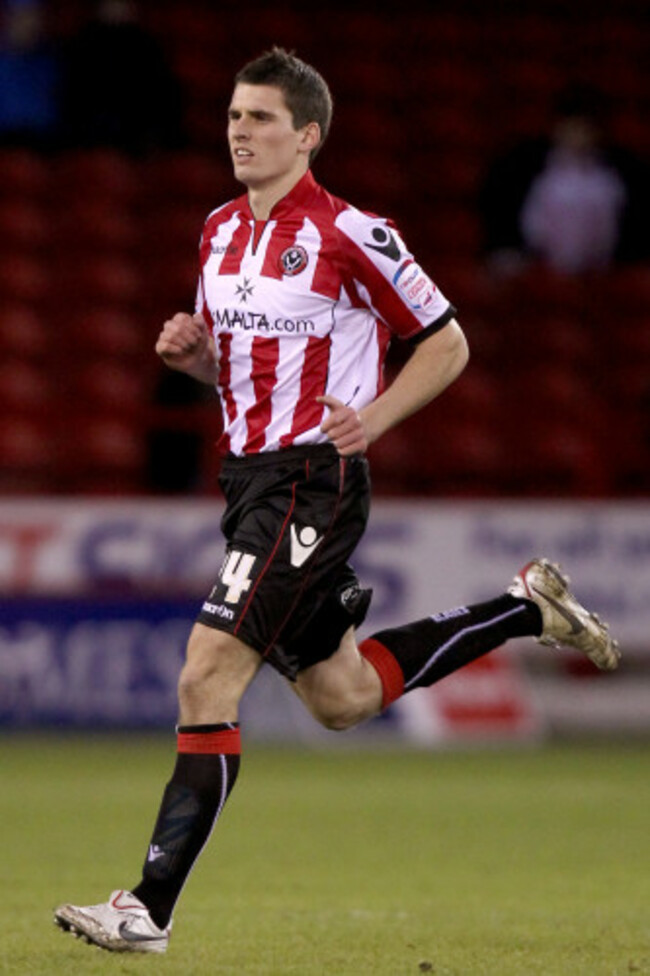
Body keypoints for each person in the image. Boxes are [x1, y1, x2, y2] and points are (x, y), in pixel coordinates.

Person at [54, 48, 620, 955]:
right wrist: (196, 357)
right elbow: (244, 369)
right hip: (247, 482)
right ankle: (523, 611)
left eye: (261, 119)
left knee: (205, 673)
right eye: (235, 116)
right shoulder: (217, 231)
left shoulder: (353, 232)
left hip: (309, 480)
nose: (240, 131)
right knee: (342, 697)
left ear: (307, 134)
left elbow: (445, 342)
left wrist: (375, 419)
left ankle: (147, 907)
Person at [479, 83, 650, 275]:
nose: (578, 136)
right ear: (558, 127)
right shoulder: (522, 167)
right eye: (572, 127)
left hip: (604, 273)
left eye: (585, 129)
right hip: (537, 270)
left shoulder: (619, 174)